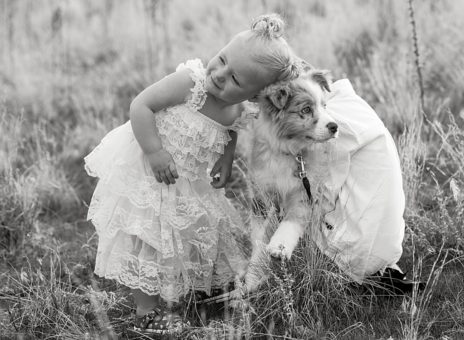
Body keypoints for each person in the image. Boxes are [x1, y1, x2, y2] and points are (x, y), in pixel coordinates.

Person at [84, 13, 301, 334]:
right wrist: (154, 152)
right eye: (223, 59)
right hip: (150, 171)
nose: (220, 74)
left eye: (236, 80)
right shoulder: (191, 82)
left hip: (188, 178)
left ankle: (200, 288)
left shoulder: (238, 109)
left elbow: (230, 132)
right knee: (150, 239)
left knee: (194, 232)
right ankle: (146, 312)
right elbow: (141, 105)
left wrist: (226, 162)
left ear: (254, 95)